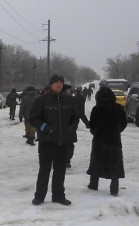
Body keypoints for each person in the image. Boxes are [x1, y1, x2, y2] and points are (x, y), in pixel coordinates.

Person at [29, 74, 79, 206]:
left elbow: (75, 117)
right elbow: (33, 118)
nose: (59, 84)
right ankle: (39, 196)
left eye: (61, 82)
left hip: (63, 142)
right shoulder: (42, 100)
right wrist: (46, 128)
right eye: (56, 82)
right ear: (51, 84)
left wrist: (71, 129)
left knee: (60, 171)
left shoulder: (69, 100)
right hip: (47, 142)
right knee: (44, 170)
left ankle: (58, 196)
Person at [86, 87, 127, 196]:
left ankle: (93, 184)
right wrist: (117, 131)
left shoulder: (96, 109)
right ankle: (114, 188)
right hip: (114, 141)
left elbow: (92, 125)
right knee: (115, 164)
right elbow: (123, 123)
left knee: (96, 162)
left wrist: (96, 132)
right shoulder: (119, 108)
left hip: (99, 141)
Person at [65, 85, 90, 168]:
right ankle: (67, 161)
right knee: (69, 146)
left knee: (66, 145)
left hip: (68, 125)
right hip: (80, 111)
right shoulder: (81, 97)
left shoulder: (73, 99)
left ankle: (64, 160)